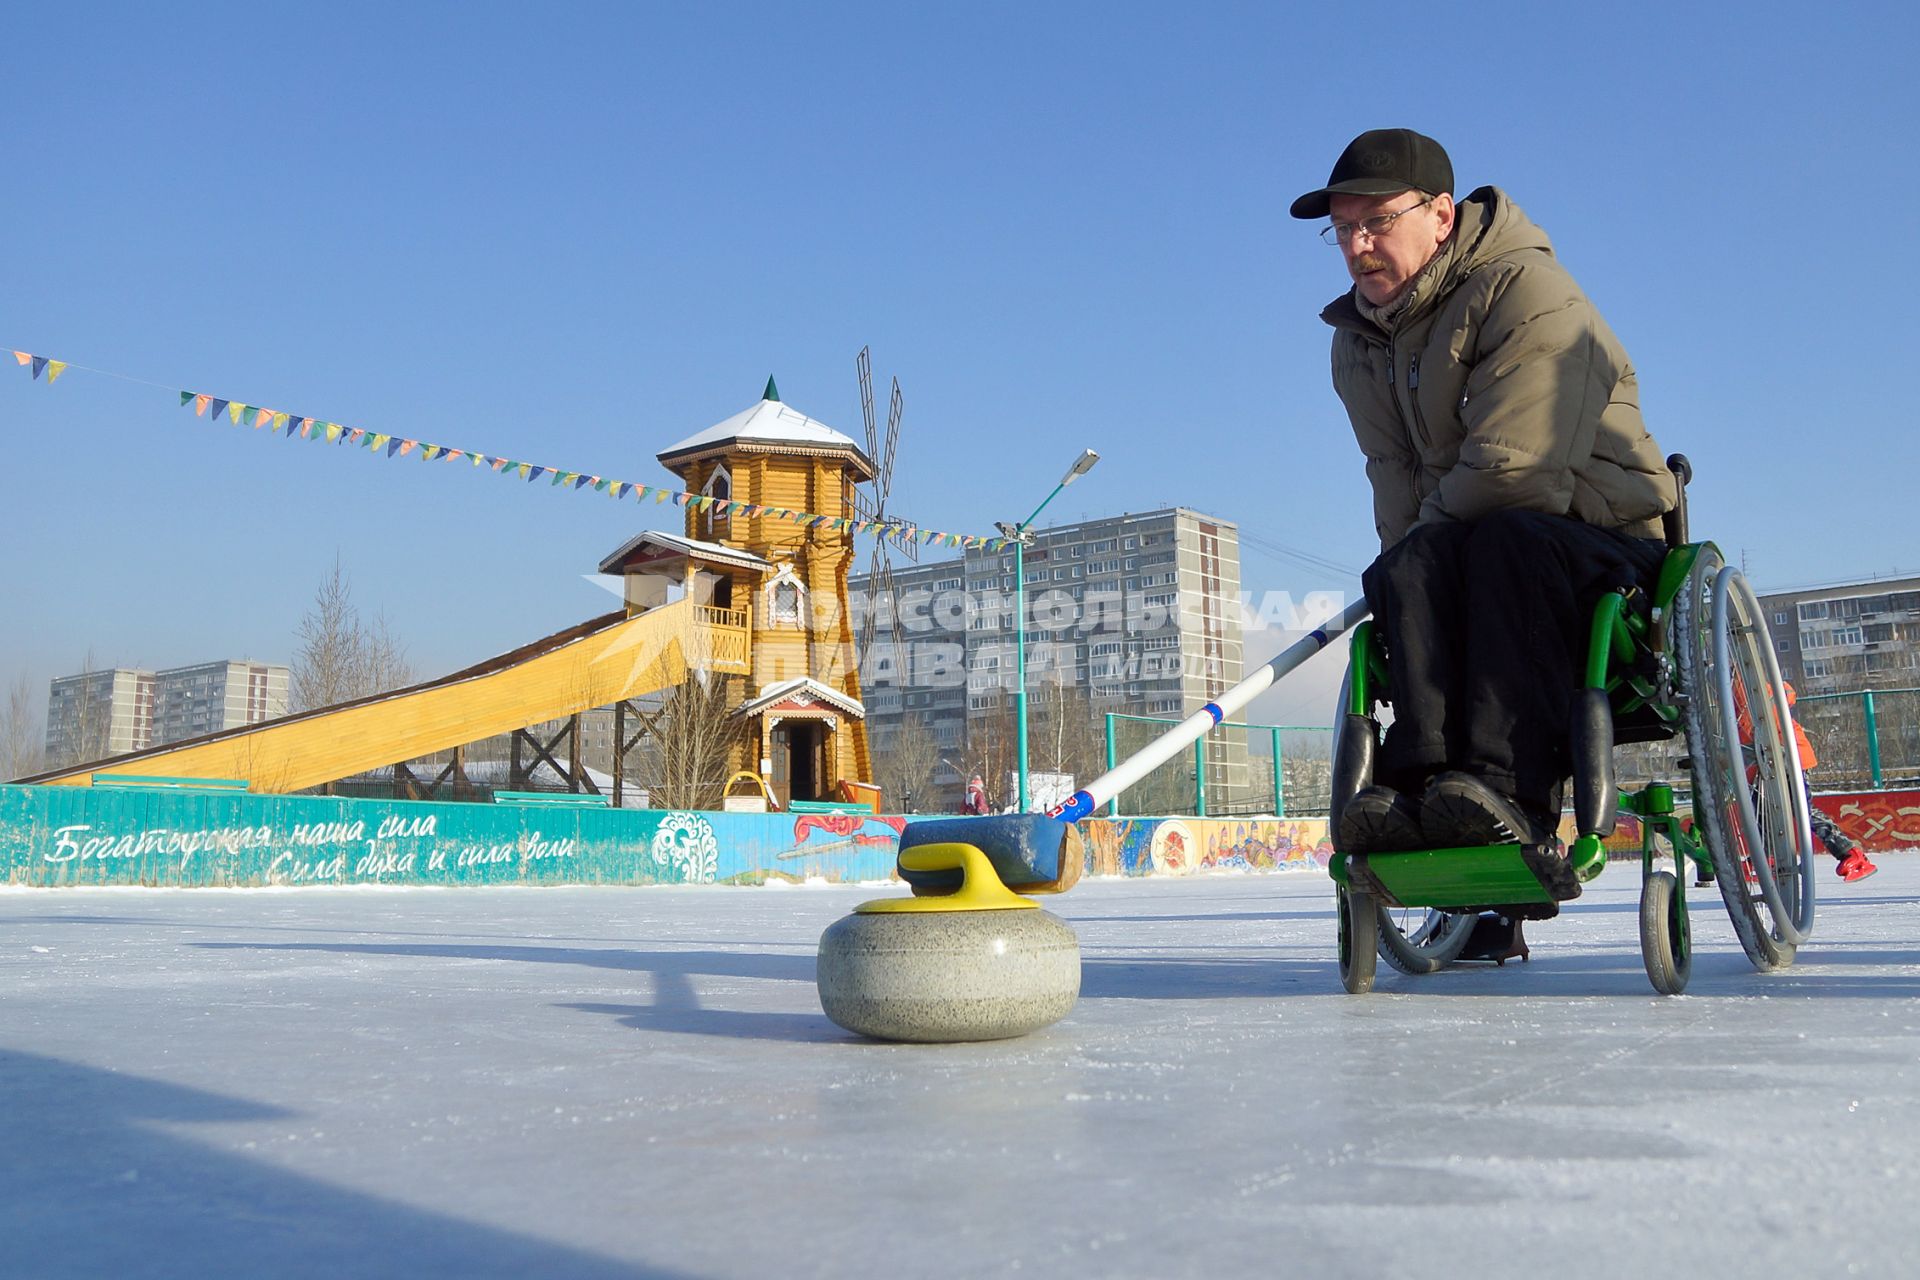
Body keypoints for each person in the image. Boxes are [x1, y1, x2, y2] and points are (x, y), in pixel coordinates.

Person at [1293, 129, 1678, 853]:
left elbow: (1517, 469)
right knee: (1404, 564)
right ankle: (1426, 788)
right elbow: (1394, 480)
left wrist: (1422, 551)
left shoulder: (1527, 290)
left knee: (1499, 541)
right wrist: (1407, 568)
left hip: (1601, 544)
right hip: (1470, 547)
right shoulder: (1357, 343)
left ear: (1442, 214)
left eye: (1378, 222)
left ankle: (1508, 790)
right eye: (1343, 229)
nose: (1357, 245)